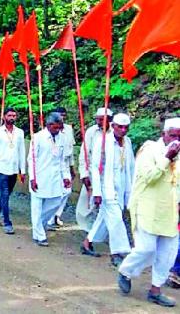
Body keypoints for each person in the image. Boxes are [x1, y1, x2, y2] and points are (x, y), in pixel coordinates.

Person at [117, 118, 180, 307]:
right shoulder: (149, 149)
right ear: (164, 135)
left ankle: (156, 290)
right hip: (147, 207)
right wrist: (167, 157)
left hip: (170, 210)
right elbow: (150, 177)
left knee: (167, 253)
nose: (177, 140)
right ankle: (126, 271)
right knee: (146, 249)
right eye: (173, 135)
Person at [82, 113, 134, 266]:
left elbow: (131, 166)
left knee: (105, 217)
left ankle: (87, 242)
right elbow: (96, 168)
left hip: (123, 185)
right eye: (120, 127)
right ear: (113, 126)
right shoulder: (102, 141)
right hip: (107, 187)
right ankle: (118, 252)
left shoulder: (128, 142)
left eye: (126, 127)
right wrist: (97, 191)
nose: (123, 130)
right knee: (116, 218)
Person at [28, 113, 71, 246]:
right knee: (36, 207)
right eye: (56, 128)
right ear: (49, 125)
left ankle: (39, 226)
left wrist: (66, 176)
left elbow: (63, 160)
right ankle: (40, 235)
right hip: (40, 177)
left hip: (55, 177)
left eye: (60, 128)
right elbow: (31, 159)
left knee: (56, 202)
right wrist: (33, 178)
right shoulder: (38, 137)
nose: (58, 130)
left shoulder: (62, 138)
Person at [0, 107, 26, 235]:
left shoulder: (19, 132)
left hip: (14, 169)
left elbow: (21, 151)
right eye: (9, 115)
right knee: (4, 194)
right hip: (1, 169)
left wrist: (23, 170)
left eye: (14, 116)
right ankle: (7, 222)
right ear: (4, 117)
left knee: (6, 195)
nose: (12, 118)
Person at [77, 108, 113, 234]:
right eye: (97, 119)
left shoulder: (115, 132)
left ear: (109, 120)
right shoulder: (91, 131)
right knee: (87, 203)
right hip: (93, 172)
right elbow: (84, 153)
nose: (98, 122)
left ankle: (100, 231)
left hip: (109, 174)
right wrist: (84, 173)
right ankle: (87, 230)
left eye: (101, 120)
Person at [47, 107, 75, 228]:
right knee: (53, 191)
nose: (62, 117)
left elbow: (70, 149)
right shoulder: (49, 129)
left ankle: (56, 215)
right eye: (60, 115)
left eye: (64, 115)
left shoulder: (68, 129)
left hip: (65, 163)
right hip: (52, 164)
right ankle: (49, 218)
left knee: (67, 191)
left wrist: (72, 167)